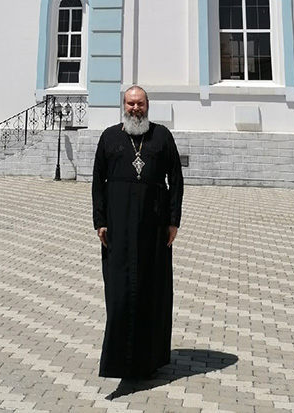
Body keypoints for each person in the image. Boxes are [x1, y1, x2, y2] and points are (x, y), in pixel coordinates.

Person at [92, 85, 184, 379]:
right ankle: (119, 362)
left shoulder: (161, 136)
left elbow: (176, 179)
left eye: (140, 103)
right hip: (118, 231)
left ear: (148, 105)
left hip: (153, 231)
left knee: (151, 292)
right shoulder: (109, 137)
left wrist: (173, 221)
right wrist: (100, 221)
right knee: (119, 294)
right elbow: (97, 182)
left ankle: (150, 361)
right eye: (130, 104)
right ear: (123, 105)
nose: (135, 108)